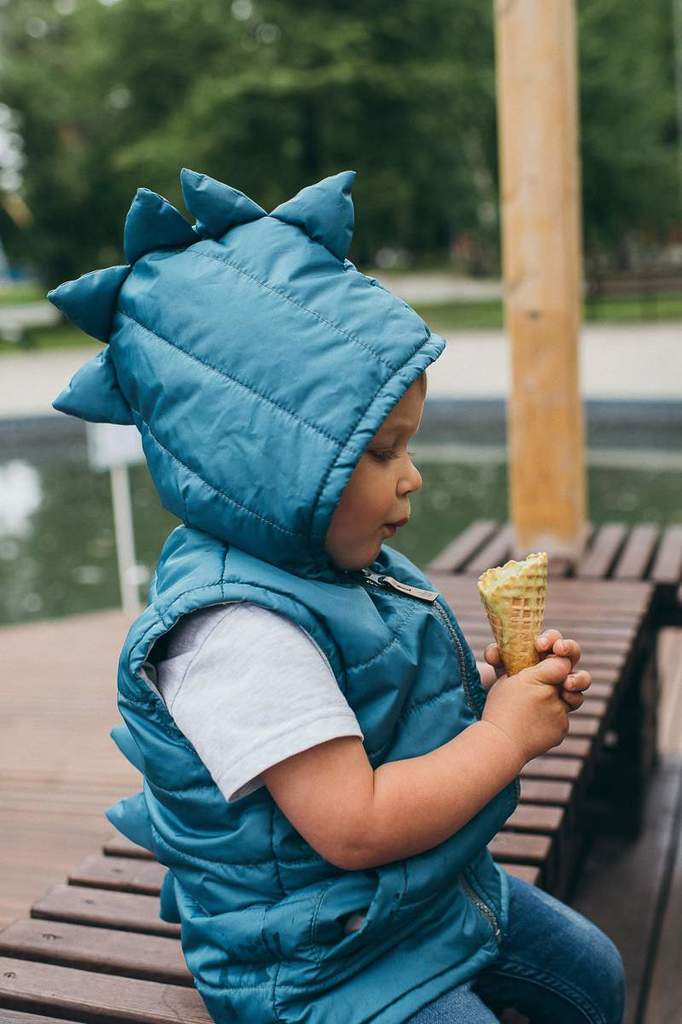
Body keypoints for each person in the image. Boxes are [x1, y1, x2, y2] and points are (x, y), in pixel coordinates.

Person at [49, 168, 625, 1024]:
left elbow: (372, 698)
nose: (412, 477)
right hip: (319, 959)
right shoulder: (237, 632)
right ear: (275, 465)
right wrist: (504, 739)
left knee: (595, 973)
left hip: (417, 896)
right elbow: (354, 824)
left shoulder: (332, 564)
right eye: (383, 452)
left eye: (407, 447)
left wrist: (492, 686)